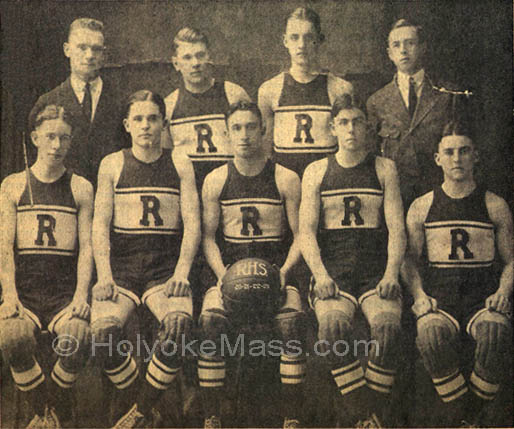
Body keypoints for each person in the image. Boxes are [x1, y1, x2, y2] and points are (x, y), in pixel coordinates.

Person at [91, 90, 201, 427]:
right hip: (123, 268)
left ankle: (138, 411)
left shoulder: (179, 162)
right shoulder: (112, 163)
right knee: (103, 334)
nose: (146, 126)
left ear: (164, 124)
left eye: (153, 118)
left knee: (179, 325)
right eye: (138, 119)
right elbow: (99, 225)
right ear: (127, 125)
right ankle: (146, 401)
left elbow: (193, 224)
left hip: (164, 268)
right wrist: (105, 275)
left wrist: (182, 270)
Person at [299, 94, 406, 427]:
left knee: (387, 329)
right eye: (343, 122)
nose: (351, 129)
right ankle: (365, 415)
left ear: (367, 127)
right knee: (331, 329)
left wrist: (391, 273)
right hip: (335, 275)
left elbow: (397, 228)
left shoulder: (384, 168)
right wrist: (320, 274)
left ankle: (361, 418)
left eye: (357, 121)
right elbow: (306, 232)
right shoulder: (317, 171)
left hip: (376, 272)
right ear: (332, 128)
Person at [198, 101, 306, 429]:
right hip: (231, 272)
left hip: (277, 273)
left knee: (291, 326)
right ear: (227, 134)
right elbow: (208, 238)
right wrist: (222, 275)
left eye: (250, 127)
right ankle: (211, 417)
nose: (244, 135)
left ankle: (292, 418)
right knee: (210, 323)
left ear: (263, 131)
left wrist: (284, 273)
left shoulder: (286, 178)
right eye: (236, 128)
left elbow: (302, 235)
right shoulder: (216, 180)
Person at [402, 120, 513, 427]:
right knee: (430, 334)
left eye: (464, 151)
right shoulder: (422, 206)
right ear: (437, 158)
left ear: (476, 156)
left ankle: (465, 419)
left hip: (483, 299)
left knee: (495, 333)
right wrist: (419, 296)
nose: (457, 158)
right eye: (449, 152)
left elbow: (512, 260)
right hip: (441, 300)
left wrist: (503, 292)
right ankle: (469, 418)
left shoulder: (495, 205)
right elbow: (407, 260)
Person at [0, 104, 94, 428]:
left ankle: (45, 413)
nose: (56, 145)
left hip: (63, 296)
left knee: (78, 336)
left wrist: (81, 296)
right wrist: (9, 295)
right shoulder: (13, 185)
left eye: (64, 138)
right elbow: (4, 249)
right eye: (50, 136)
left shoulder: (80, 187)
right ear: (35, 137)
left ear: (71, 142)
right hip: (25, 293)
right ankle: (47, 412)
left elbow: (87, 250)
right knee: (12, 336)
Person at [367, 18, 453, 209]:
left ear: (423, 47)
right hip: (395, 195)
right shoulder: (377, 101)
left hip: (439, 191)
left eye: (410, 43)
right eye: (396, 45)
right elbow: (372, 155)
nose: (403, 50)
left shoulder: (447, 95)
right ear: (389, 54)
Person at [258, 6, 353, 178]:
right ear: (285, 41)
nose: (301, 45)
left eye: (309, 37)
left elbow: (348, 150)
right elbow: (265, 152)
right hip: (286, 187)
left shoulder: (340, 88)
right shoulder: (269, 90)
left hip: (328, 183)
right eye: (294, 38)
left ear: (320, 40)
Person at [31, 18, 122, 187]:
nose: (89, 56)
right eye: (82, 47)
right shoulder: (47, 102)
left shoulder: (121, 101)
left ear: (104, 54)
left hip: (111, 198)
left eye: (96, 49)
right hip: (63, 198)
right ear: (67, 50)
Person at [162, 27, 250, 191]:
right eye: (187, 58)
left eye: (200, 55)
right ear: (176, 63)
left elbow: (253, 147)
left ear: (209, 56)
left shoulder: (233, 94)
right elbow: (166, 162)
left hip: (233, 191)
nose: (195, 63)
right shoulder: (169, 105)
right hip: (190, 193)